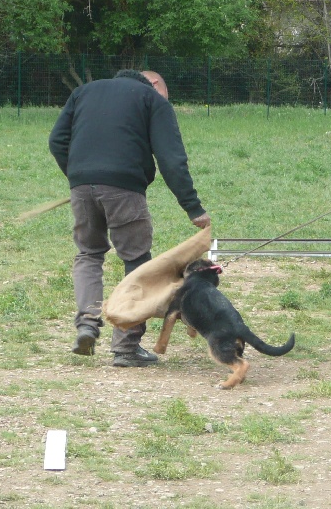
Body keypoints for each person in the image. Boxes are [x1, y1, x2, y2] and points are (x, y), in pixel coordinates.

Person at [49, 69, 211, 367]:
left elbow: (57, 141)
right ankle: (126, 347)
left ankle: (87, 322)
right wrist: (193, 208)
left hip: (82, 187)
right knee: (137, 261)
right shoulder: (152, 99)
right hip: (125, 190)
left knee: (89, 253)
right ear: (154, 84)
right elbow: (171, 159)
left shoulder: (84, 92)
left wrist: (78, 177)